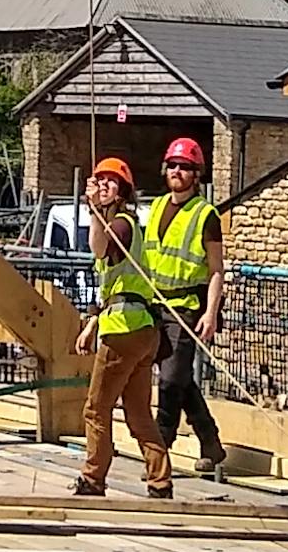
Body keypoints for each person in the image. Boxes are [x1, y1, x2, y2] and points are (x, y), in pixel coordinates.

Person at [72, 153, 172, 497]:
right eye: (99, 180)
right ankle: (160, 481)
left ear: (123, 191)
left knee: (96, 408)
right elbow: (112, 287)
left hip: (125, 330)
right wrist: (90, 324)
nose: (103, 185)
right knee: (138, 412)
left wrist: (93, 211)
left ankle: (93, 477)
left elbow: (100, 250)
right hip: (142, 329)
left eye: (110, 181)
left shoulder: (121, 224)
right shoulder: (124, 222)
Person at [139, 135, 229, 477]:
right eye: (174, 165)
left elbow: (217, 269)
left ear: (197, 174)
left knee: (170, 382)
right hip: (154, 303)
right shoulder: (158, 206)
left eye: (186, 167)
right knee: (180, 380)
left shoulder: (205, 215)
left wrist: (210, 312)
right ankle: (210, 442)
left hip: (187, 307)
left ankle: (159, 451)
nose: (178, 171)